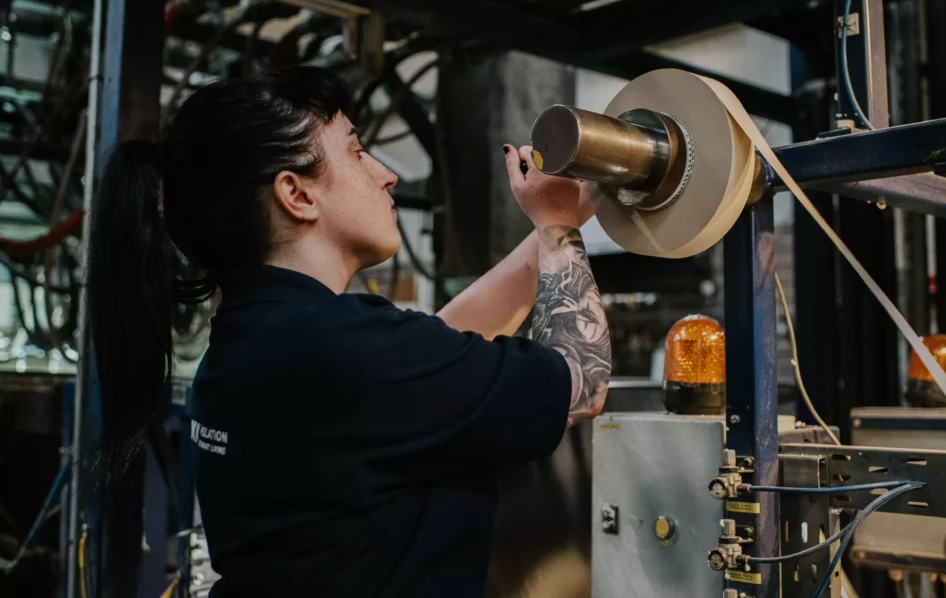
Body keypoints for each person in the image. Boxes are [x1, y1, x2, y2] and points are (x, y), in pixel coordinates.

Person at [89, 67, 611, 597]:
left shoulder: (248, 346)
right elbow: (582, 381)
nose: (385, 175)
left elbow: (430, 357)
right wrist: (556, 228)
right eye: (357, 152)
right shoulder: (347, 350)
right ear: (296, 194)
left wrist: (568, 212)